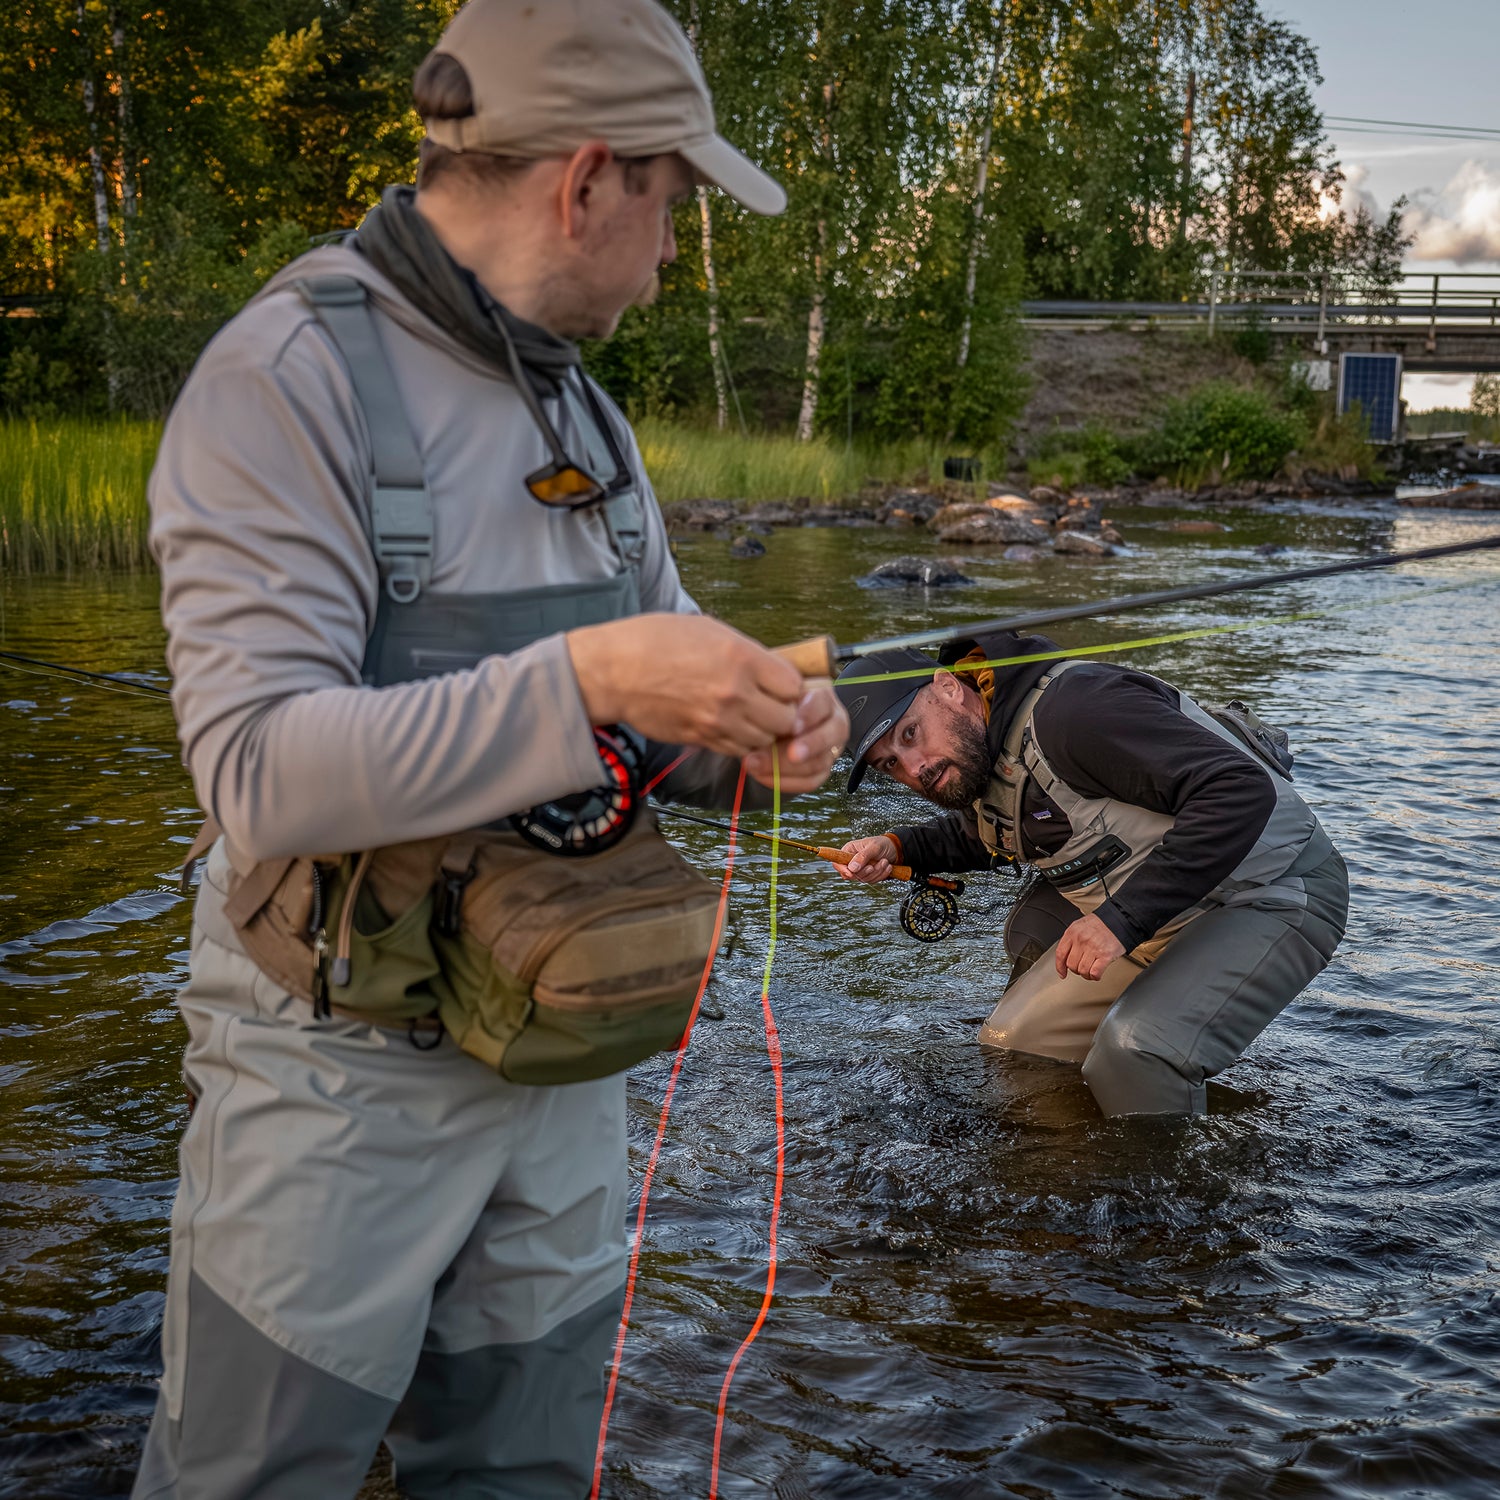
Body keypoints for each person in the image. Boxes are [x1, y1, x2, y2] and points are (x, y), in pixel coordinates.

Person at [133, 1, 847, 1495]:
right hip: (334, 1081)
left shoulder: (587, 408)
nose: (674, 250)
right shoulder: (283, 381)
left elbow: (660, 696)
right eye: (673, 200)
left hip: (562, 1057)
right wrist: (593, 676)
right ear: (586, 182)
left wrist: (759, 739)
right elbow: (256, 772)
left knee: (526, 1469)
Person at [834, 631, 1348, 1118]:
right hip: (1165, 914)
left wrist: (1118, 922)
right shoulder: (982, 746)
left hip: (1274, 888)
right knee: (1015, 1044)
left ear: (948, 687)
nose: (914, 767)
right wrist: (897, 846)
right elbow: (991, 829)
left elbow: (1238, 791)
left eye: (910, 733)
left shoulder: (1076, 711)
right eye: (889, 764)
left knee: (1134, 1051)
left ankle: (1162, 1180)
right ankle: (1070, 1155)